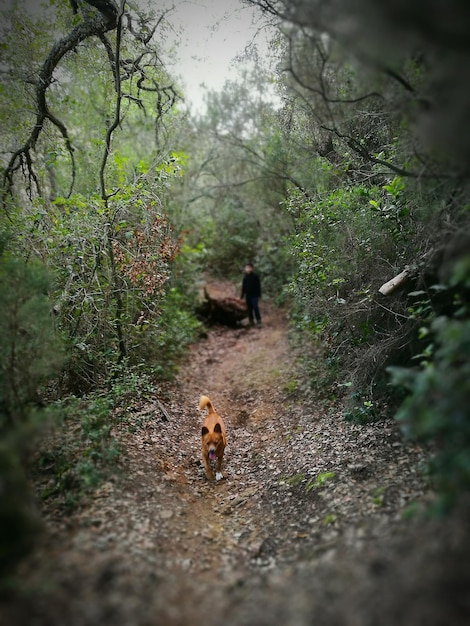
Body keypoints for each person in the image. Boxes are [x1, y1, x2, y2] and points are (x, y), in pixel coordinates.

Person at [241, 263, 262, 327]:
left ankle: (258, 321)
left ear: (252, 268)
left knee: (255, 307)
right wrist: (242, 295)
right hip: (248, 295)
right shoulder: (245, 277)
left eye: (249, 268)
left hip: (254, 295)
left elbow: (258, 286)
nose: (248, 269)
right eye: (246, 268)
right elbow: (244, 287)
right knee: (249, 309)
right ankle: (251, 321)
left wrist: (259, 294)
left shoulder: (255, 276)